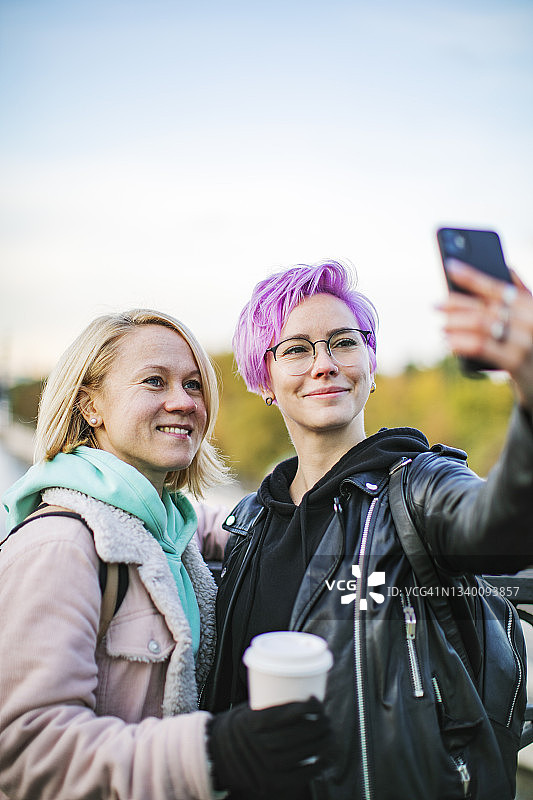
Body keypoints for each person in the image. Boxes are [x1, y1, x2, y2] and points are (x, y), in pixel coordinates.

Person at [202, 259, 533, 799]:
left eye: (343, 342)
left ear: (370, 365)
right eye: (296, 349)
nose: (325, 364)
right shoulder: (249, 524)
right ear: (265, 380)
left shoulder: (419, 488)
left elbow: (503, 530)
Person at [0, 309, 332, 800]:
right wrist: (215, 753)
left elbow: (264, 526)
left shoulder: (170, 528)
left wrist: (367, 480)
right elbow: (27, 752)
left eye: (194, 385)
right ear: (90, 406)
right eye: (155, 381)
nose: (183, 402)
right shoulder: (61, 545)